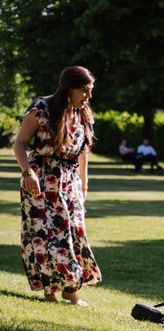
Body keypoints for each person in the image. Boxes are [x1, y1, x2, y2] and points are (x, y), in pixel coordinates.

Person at [12, 65, 102, 305]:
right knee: (46, 235)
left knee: (74, 233)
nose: (88, 96)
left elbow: (83, 152)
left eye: (90, 91)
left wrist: (84, 184)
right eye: (84, 90)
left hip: (70, 181)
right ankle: (50, 290)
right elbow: (19, 143)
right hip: (41, 180)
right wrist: (27, 172)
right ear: (68, 88)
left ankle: (70, 289)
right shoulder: (42, 109)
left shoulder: (82, 113)